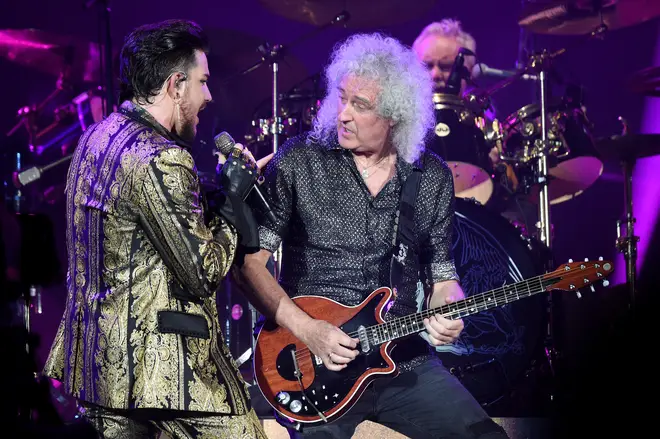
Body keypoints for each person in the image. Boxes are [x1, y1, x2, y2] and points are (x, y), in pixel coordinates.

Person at [240, 33, 509, 439]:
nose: (343, 114)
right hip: (314, 360)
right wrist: (308, 330)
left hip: (402, 359)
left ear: (393, 117)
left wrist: (448, 309)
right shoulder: (298, 160)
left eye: (360, 105)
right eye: (342, 98)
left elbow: (442, 275)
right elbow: (249, 265)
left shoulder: (430, 177)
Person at [42, 19, 268, 439]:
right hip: (162, 370)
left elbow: (143, 222)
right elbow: (203, 273)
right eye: (203, 82)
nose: (209, 96)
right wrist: (234, 203)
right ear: (176, 85)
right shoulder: (163, 158)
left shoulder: (96, 138)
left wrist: (212, 193)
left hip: (97, 364)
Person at [412, 19, 536, 234]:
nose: (434, 75)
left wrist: (498, 165)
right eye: (427, 65)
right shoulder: (400, 122)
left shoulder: (484, 127)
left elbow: (511, 192)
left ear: (468, 72)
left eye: (446, 66)